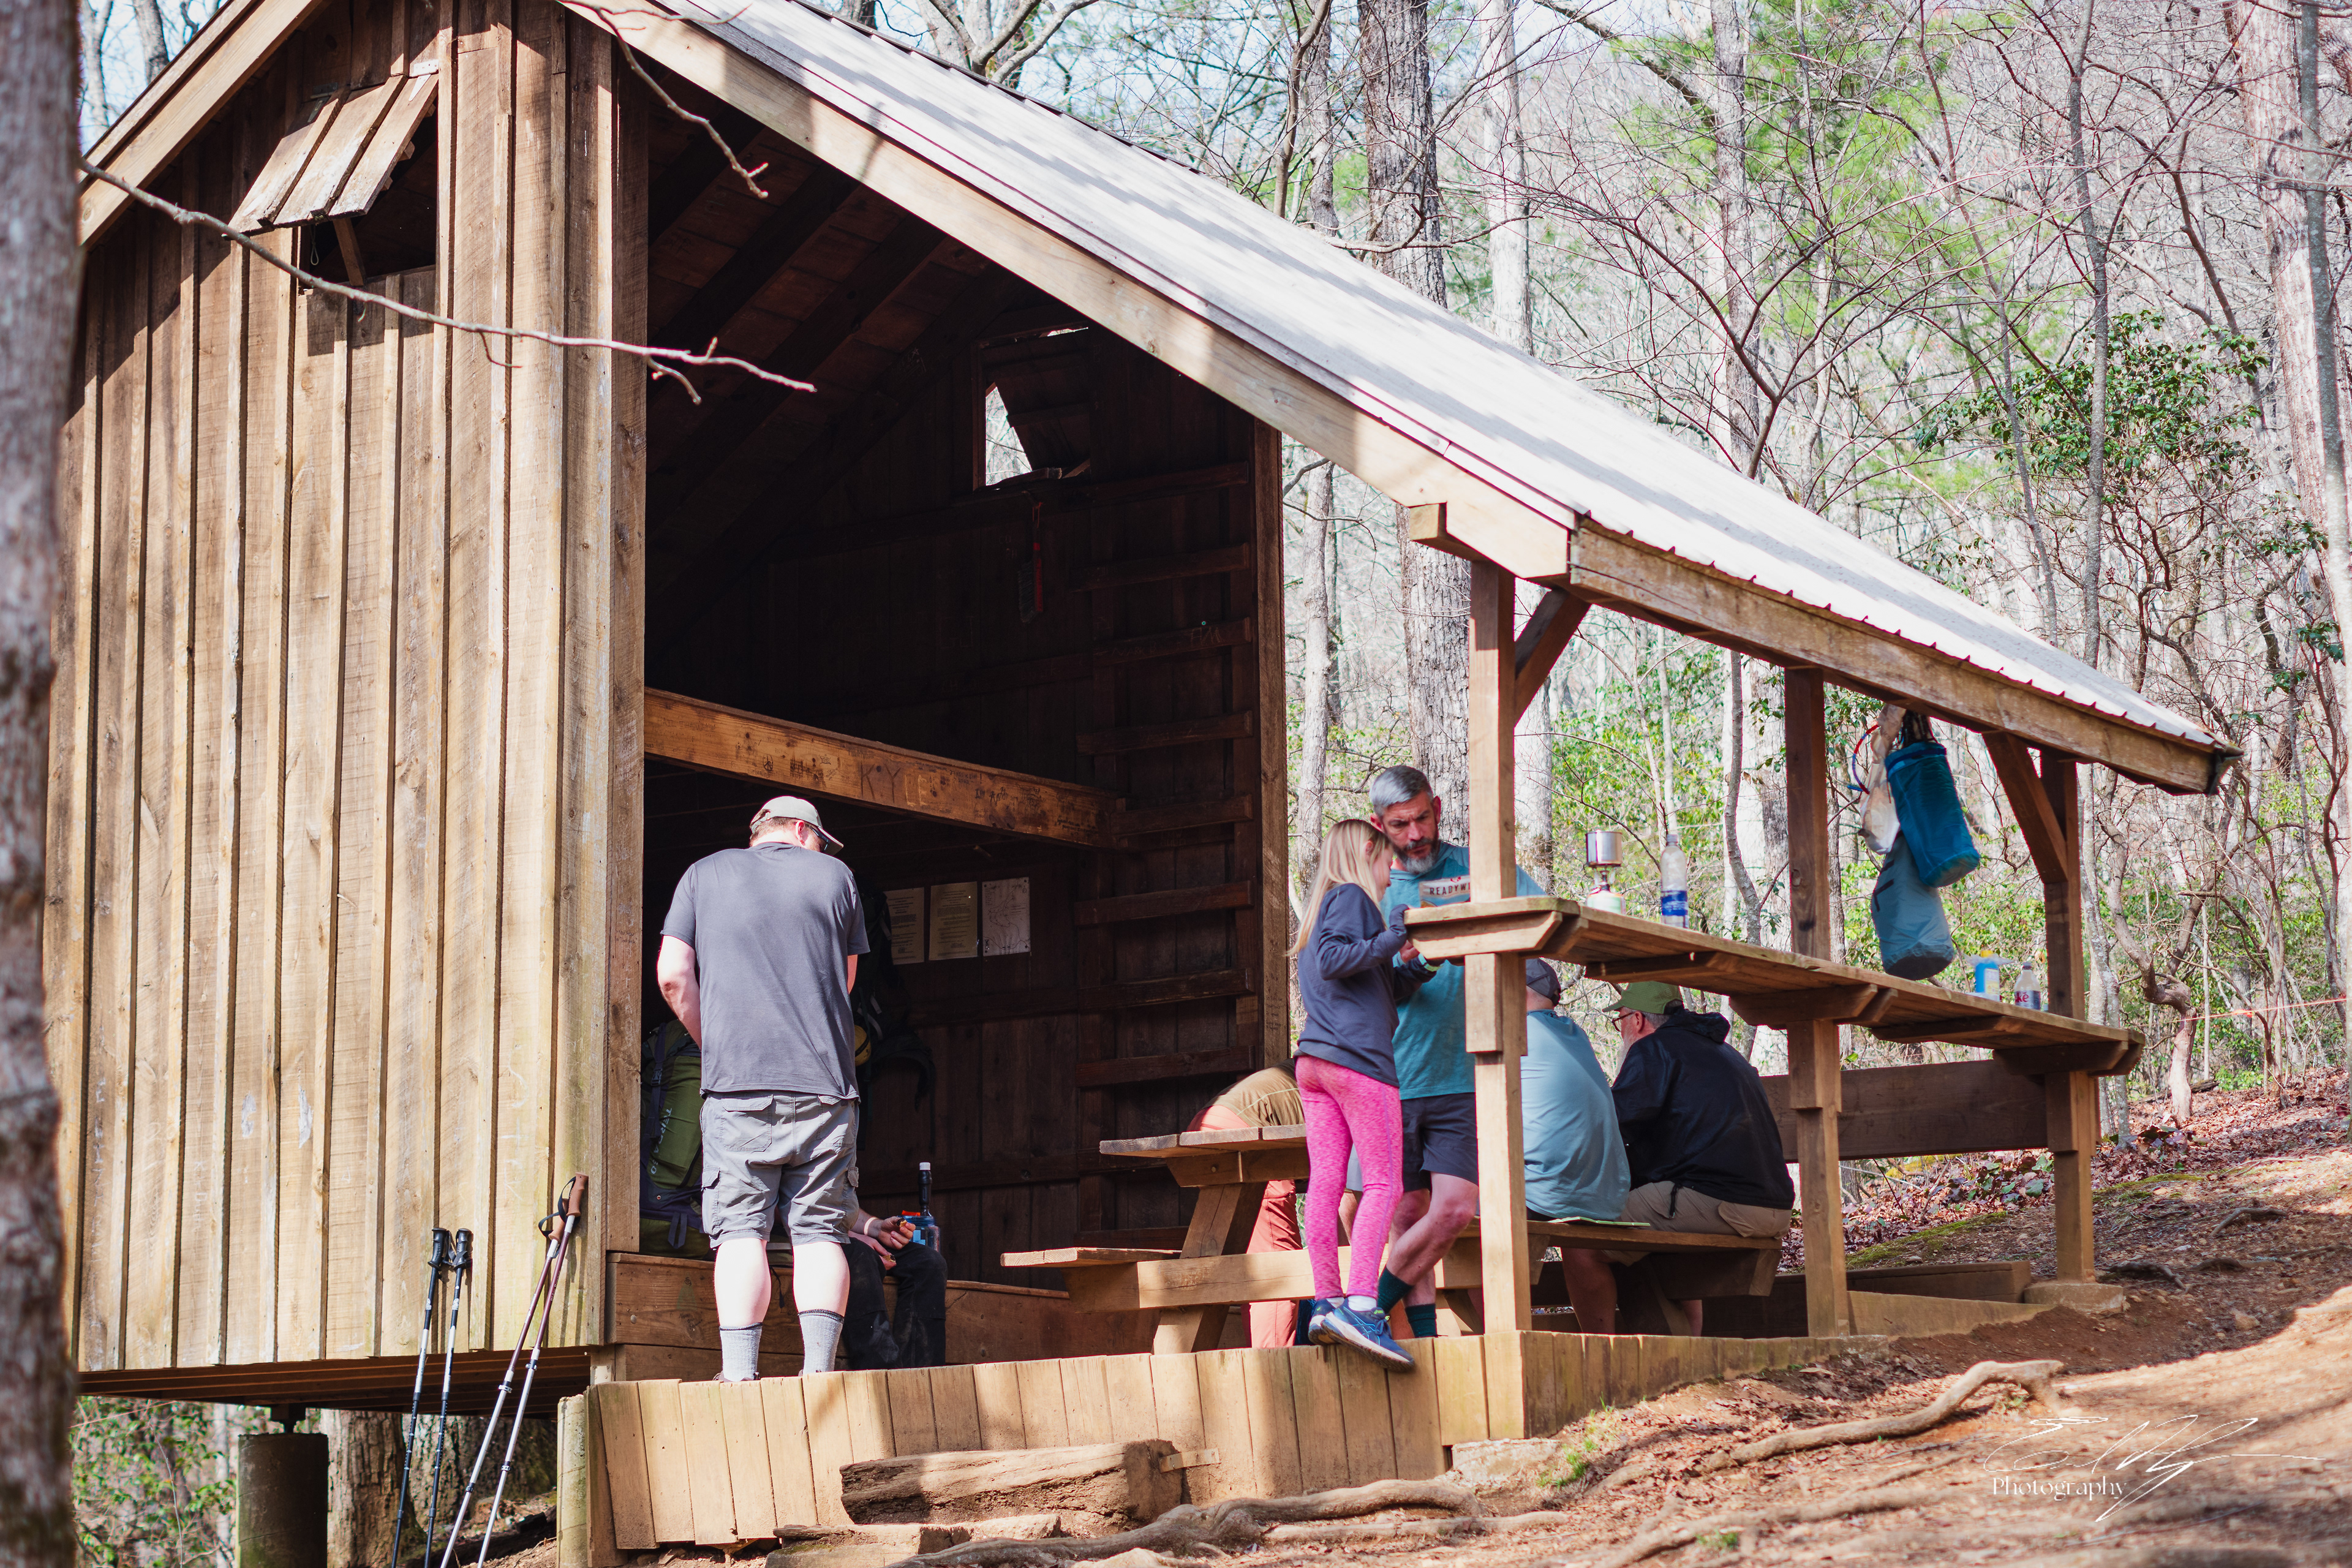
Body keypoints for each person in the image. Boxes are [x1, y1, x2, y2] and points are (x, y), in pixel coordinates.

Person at [657, 795, 870, 1381]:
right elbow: (844, 980)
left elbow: (673, 975)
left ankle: (739, 1376)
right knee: (820, 1232)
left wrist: (715, 1042)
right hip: (824, 1085)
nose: (822, 851)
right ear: (805, 832)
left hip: (736, 1089)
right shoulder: (836, 876)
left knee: (740, 1232)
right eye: (821, 840)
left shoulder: (703, 875)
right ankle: (819, 1374)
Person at [1365, 764, 1544, 1338]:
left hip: (1466, 1073)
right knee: (1404, 1217)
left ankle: (1365, 1309)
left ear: (1438, 807)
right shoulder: (1370, 884)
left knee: (1455, 1210)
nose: (1415, 835)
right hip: (1388, 1075)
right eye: (1400, 825)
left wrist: (1485, 945)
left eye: (1422, 818)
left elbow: (1543, 926)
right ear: (1379, 825)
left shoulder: (1479, 868)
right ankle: (1427, 1347)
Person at [1564, 981, 1795, 1335]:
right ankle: (1686, 1353)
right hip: (1772, 1204)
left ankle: (1597, 1358)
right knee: (1657, 1231)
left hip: (1724, 1200)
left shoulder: (1653, 1050)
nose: (1622, 1029)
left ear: (1637, 1019)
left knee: (1580, 1239)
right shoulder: (1722, 1051)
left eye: (1620, 1019)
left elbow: (1612, 1129)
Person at [1292, 818, 1432, 1370]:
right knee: (1383, 1183)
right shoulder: (1350, 897)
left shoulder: (1319, 912)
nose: (1390, 873)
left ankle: (1326, 1302)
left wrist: (1415, 966)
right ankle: (1364, 1306)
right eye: (1387, 860)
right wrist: (1396, 934)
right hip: (1358, 1065)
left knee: (1327, 1183)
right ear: (1367, 851)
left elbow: (1364, 980)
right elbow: (1338, 959)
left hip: (1315, 1064)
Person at [1518, 959, 1630, 1332]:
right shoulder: (1574, 1033)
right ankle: (1602, 1345)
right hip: (1601, 1189)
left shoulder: (1511, 1033)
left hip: (1544, 1188)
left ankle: (1500, 1335)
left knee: (1457, 1216)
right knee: (1581, 1246)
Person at [1190, 1067, 1308, 1348]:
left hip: (1205, 1123)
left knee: (1255, 1265)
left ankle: (1261, 1354)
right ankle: (1277, 1371)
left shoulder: (1303, 1070)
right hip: (1243, 1132)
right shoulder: (1358, 1081)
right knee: (1279, 1271)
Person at [839, 1194, 949, 1371]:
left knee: (929, 1263)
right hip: (805, 1237)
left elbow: (840, 1204)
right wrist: (848, 1236)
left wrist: (876, 1228)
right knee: (861, 1255)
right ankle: (882, 1374)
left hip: (845, 1233)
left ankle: (923, 1375)